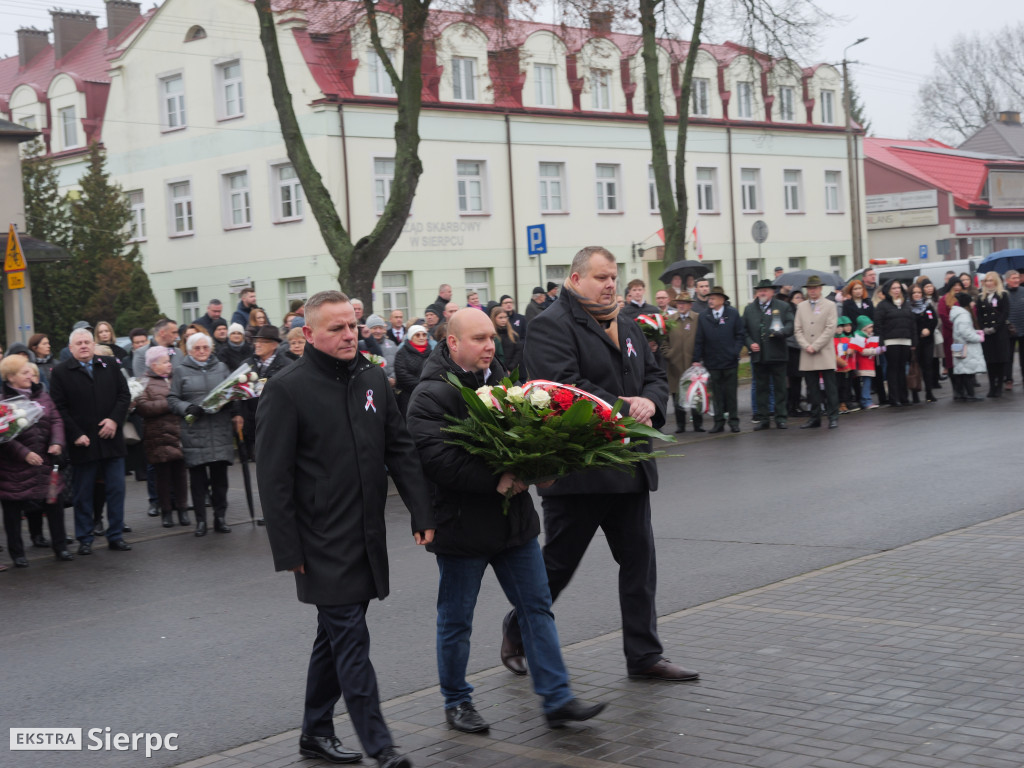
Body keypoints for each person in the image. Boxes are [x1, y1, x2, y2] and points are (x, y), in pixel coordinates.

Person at [501, 246, 697, 683]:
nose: (611, 284)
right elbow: (564, 388)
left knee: (639, 565)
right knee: (558, 566)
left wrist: (651, 401)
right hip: (579, 472)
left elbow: (653, 373)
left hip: (629, 466)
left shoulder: (624, 323)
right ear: (575, 279)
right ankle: (517, 628)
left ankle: (644, 656)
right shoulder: (549, 325)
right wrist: (628, 408)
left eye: (614, 277)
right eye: (601, 277)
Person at [256, 290, 434, 768]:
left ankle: (314, 732)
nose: (348, 335)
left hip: (365, 532)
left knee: (333, 637)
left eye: (351, 325)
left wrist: (422, 511)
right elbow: (272, 477)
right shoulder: (286, 387)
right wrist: (287, 548)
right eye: (335, 328)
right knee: (351, 640)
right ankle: (382, 747)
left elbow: (398, 447)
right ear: (308, 335)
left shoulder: (372, 375)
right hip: (318, 540)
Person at [406, 309, 606, 732]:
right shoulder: (429, 394)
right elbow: (438, 460)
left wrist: (541, 468)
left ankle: (557, 698)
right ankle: (457, 701)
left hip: (514, 523)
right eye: (478, 338)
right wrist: (494, 480)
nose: (489, 345)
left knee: (537, 609)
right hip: (462, 526)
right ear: (453, 343)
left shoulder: (506, 383)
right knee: (457, 618)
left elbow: (529, 436)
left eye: (492, 337)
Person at [50, 328, 132, 555]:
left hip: (111, 439)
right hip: (83, 442)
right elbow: (59, 408)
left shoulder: (110, 364)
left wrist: (114, 421)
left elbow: (124, 395)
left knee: (116, 490)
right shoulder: (60, 372)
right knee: (83, 493)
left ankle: (115, 535)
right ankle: (85, 538)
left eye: (87, 342)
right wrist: (75, 434)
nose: (84, 346)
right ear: (71, 348)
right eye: (79, 343)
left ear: (94, 345)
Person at [167, 333, 244, 537]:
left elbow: (233, 393)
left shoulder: (221, 367)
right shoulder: (181, 371)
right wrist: (188, 407)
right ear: (190, 350)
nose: (202, 352)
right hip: (195, 432)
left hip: (219, 430)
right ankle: (201, 521)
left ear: (211, 349)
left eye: (205, 348)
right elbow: (172, 399)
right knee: (198, 480)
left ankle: (220, 518)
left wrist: (233, 408)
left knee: (220, 480)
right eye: (197, 348)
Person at [1, 355, 71, 566]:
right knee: (13, 512)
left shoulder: (42, 394)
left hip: (46, 463)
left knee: (54, 504)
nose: (31, 375)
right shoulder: (3, 400)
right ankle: (18, 554)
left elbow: (56, 419)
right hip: (15, 468)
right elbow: (3, 435)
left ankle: (61, 548)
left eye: (31, 372)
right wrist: (24, 454)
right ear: (11, 377)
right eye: (25, 372)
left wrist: (57, 441)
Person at [134, 347, 189, 529]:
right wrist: (170, 403)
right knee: (162, 476)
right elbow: (144, 407)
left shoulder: (176, 378)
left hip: (179, 431)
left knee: (181, 474)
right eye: (165, 361)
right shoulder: (144, 382)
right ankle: (166, 511)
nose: (169, 364)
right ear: (155, 365)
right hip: (157, 435)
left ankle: (182, 509)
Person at [742, 279, 794, 430]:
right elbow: (743, 330)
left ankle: (781, 417)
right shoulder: (749, 309)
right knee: (761, 388)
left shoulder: (783, 306)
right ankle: (763, 418)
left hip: (777, 353)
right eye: (760, 290)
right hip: (759, 355)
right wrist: (750, 343)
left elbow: (791, 325)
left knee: (780, 388)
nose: (762, 293)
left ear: (772, 292)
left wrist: (782, 332)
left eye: (765, 290)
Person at [692, 286, 744, 433]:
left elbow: (740, 335)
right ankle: (718, 422)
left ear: (722, 300)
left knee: (731, 394)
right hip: (712, 361)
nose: (710, 300)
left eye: (713, 298)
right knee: (716, 394)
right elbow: (699, 339)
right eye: (709, 298)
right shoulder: (704, 316)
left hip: (730, 362)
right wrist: (696, 358)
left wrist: (735, 351)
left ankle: (734, 421)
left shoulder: (732, 314)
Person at [793, 276, 839, 429]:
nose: (812, 291)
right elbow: (797, 329)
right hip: (807, 352)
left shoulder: (830, 305)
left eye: (815, 288)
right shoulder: (801, 306)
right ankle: (815, 417)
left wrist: (816, 345)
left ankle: (833, 417)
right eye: (810, 288)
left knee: (830, 387)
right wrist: (806, 345)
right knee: (812, 388)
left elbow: (830, 329)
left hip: (824, 351)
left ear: (820, 289)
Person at [244, 326, 292, 458]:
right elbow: (239, 394)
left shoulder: (287, 366)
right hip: (254, 425)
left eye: (262, 342)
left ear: (274, 345)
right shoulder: (247, 365)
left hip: (279, 426)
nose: (257, 345)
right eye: (256, 341)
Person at [663, 292, 703, 433]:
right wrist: (669, 353)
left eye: (684, 303)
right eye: (678, 303)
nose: (680, 305)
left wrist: (700, 358)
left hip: (693, 365)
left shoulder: (698, 319)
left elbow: (703, 338)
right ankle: (681, 425)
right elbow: (663, 340)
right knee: (677, 395)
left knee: (695, 394)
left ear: (690, 305)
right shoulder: (670, 319)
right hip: (675, 364)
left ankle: (698, 424)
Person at [874, 279, 916, 408]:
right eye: (894, 288)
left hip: (905, 341)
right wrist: (881, 342)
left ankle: (904, 397)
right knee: (893, 369)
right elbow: (878, 325)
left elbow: (912, 323)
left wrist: (914, 341)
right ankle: (894, 398)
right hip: (890, 341)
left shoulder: (906, 304)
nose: (897, 290)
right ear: (888, 290)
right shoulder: (883, 305)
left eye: (898, 288)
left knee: (902, 368)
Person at [976, 271, 1010, 397]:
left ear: (996, 281)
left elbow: (1005, 313)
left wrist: (995, 327)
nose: (989, 283)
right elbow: (979, 315)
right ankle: (991, 387)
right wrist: (984, 327)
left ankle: (999, 386)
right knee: (990, 361)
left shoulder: (1003, 295)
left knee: (1000, 360)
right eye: (987, 281)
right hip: (987, 333)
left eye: (991, 280)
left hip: (999, 332)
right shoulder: (981, 297)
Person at [950, 292, 986, 401]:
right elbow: (966, 333)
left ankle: (961, 394)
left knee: (961, 371)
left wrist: (975, 332)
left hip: (958, 345)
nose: (973, 303)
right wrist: (979, 337)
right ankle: (971, 394)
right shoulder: (964, 315)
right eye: (971, 301)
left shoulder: (958, 314)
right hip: (966, 346)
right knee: (968, 372)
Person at [393, 325, 431, 414]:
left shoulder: (432, 353)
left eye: (424, 335)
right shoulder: (402, 353)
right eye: (417, 335)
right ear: (411, 337)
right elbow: (402, 375)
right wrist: (421, 386)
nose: (421, 337)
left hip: (428, 397)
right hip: (408, 397)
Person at [910, 283, 938, 404]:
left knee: (928, 366)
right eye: (915, 293)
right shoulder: (908, 307)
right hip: (915, 342)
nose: (917, 295)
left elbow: (934, 320)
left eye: (919, 292)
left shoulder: (928, 306)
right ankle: (915, 393)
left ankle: (929, 392)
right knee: (915, 368)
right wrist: (917, 333)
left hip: (928, 340)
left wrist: (929, 329)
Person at [850, 317, 880, 409]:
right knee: (866, 382)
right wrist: (875, 351)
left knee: (867, 382)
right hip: (863, 364)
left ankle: (866, 400)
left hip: (868, 363)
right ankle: (866, 401)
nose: (872, 329)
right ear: (864, 328)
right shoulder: (859, 337)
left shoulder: (867, 337)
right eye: (870, 327)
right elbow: (862, 351)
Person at [1005, 270, 1024, 390]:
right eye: (1013, 278)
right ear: (1007, 280)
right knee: (1008, 357)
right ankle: (1008, 379)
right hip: (1008, 330)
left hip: (1023, 329)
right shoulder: (1002, 293)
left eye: (1017, 278)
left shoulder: (1023, 291)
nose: (1016, 280)